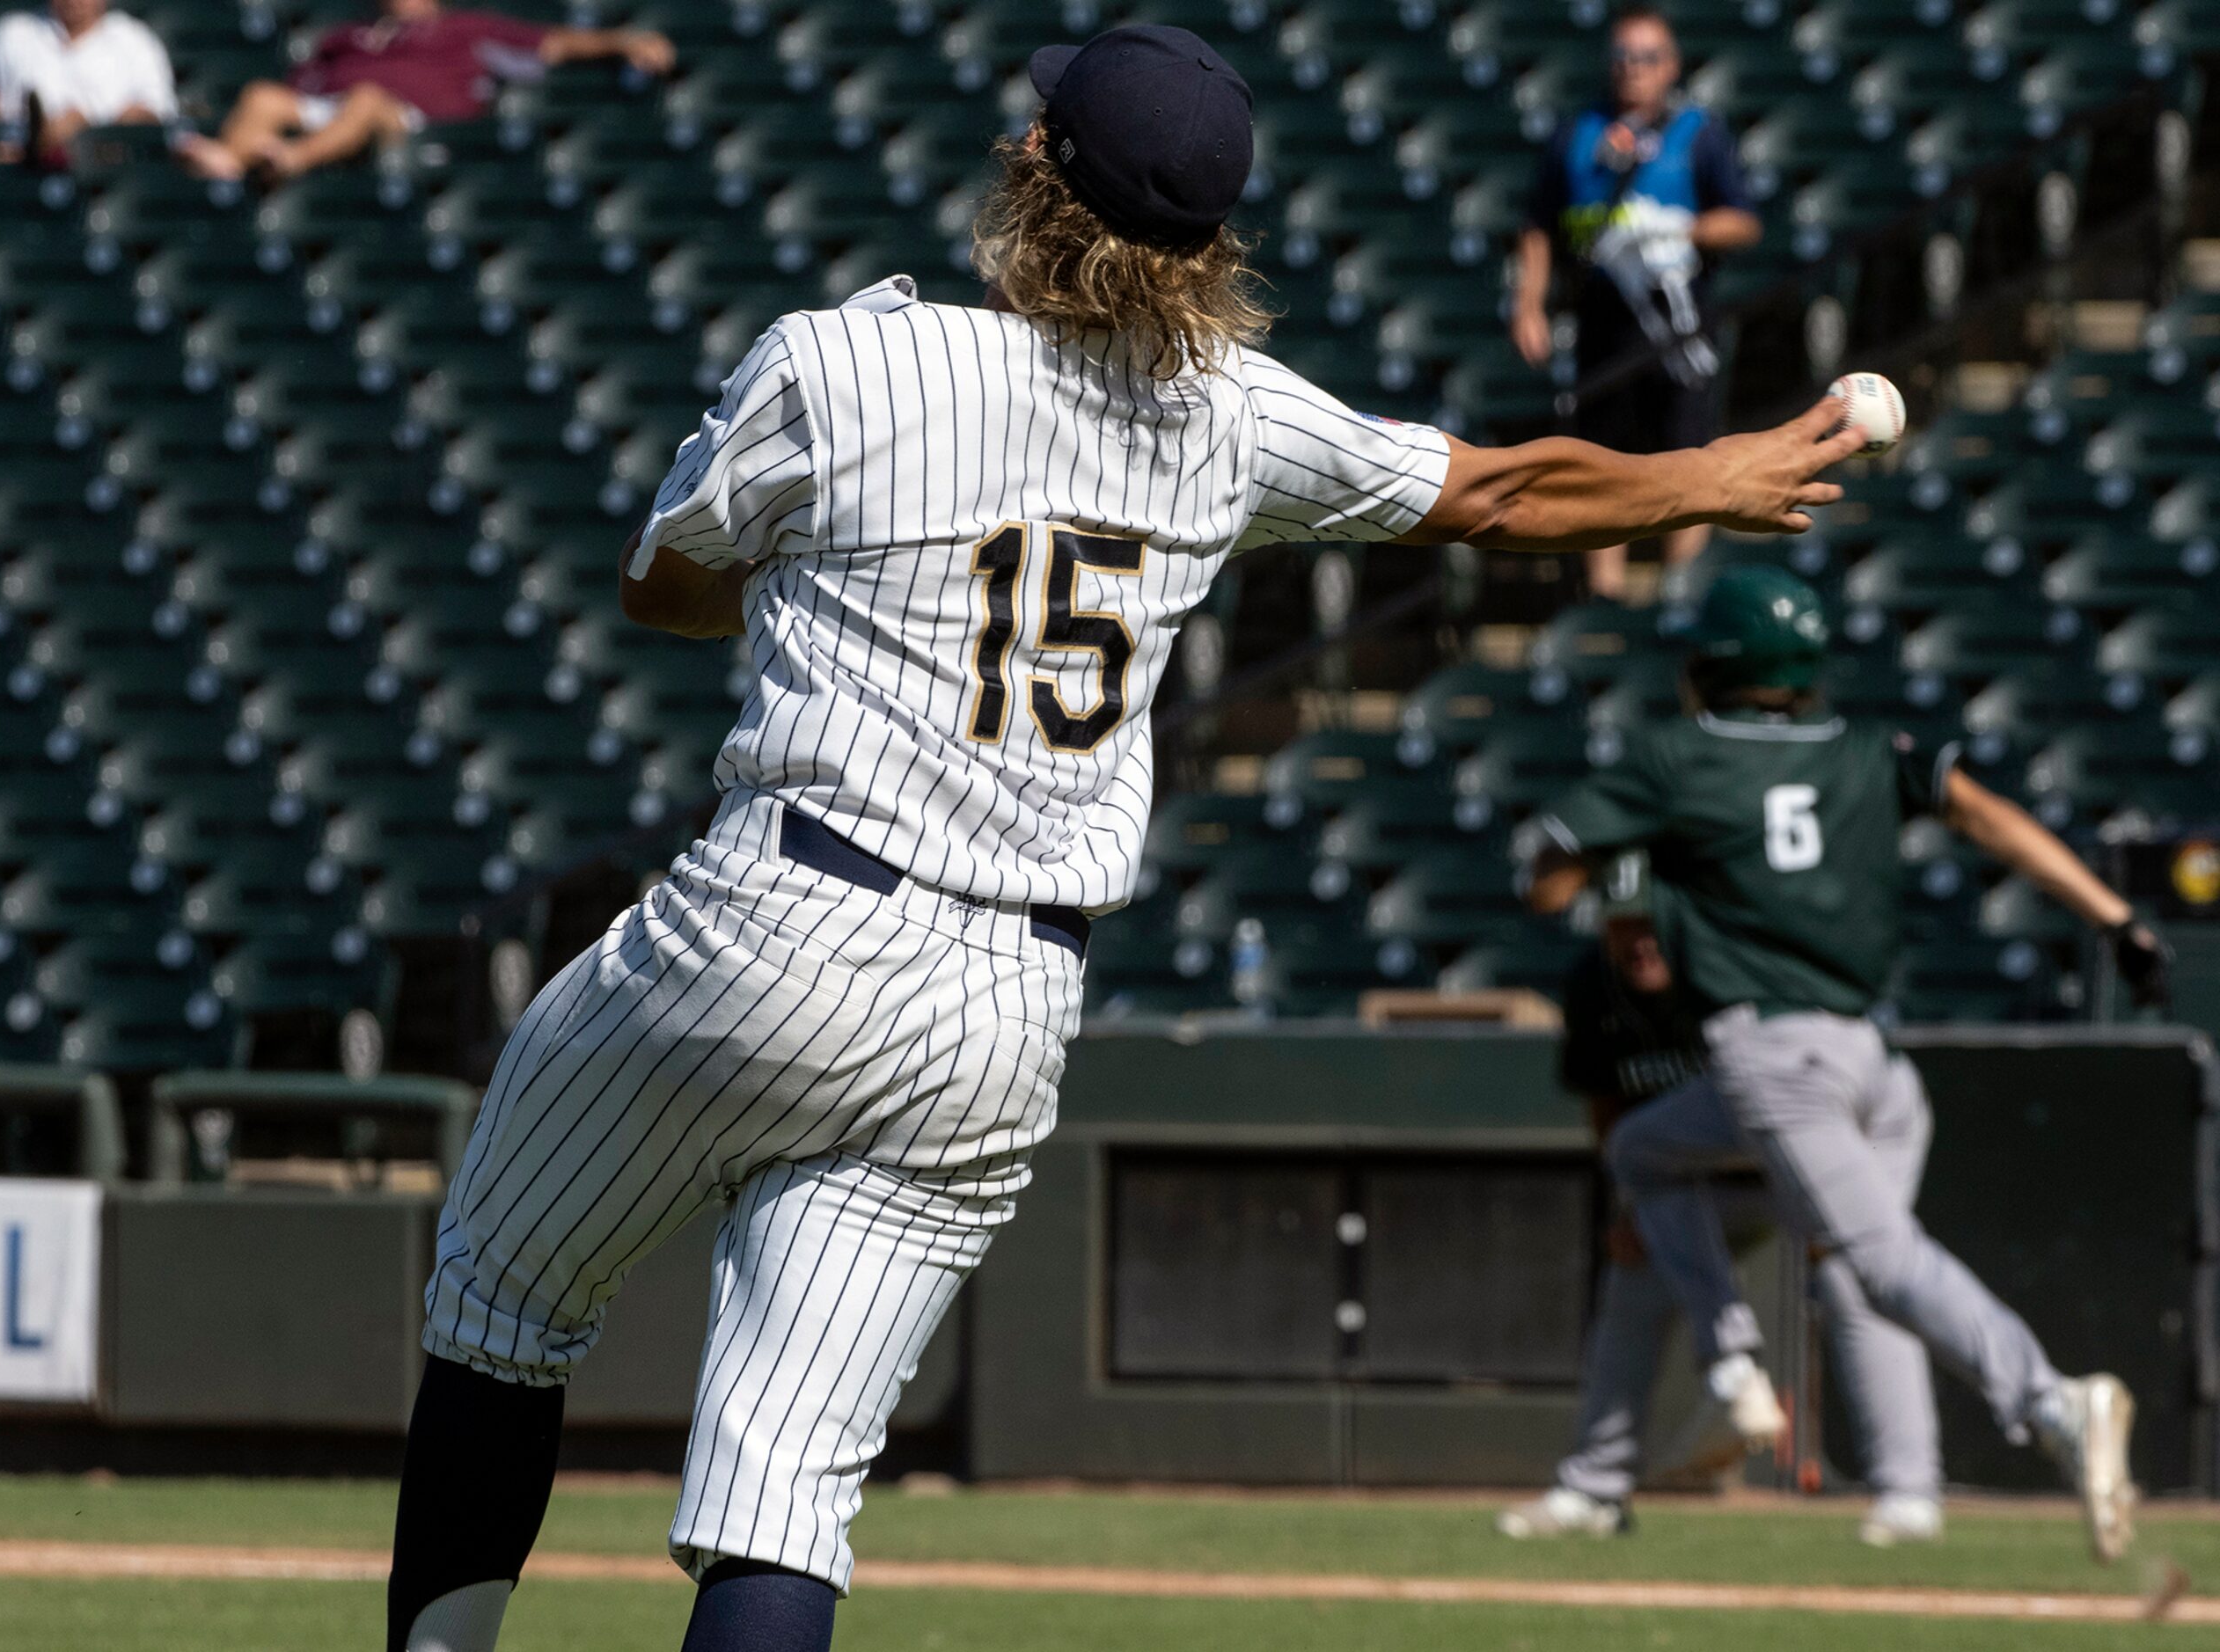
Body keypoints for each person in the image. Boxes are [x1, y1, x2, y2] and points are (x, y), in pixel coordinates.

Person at [381, 25, 1865, 1652]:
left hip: (782, 910)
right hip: (1003, 1000)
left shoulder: (850, 358)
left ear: (1034, 172)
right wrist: (1711, 473)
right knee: (783, 1487)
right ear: (1208, 243)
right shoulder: (1224, 413)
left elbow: (661, 586)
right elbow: (1501, 493)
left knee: (505, 1303)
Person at [1520, 564, 2172, 1563]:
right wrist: (2114, 916)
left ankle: (2051, 1403)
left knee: (1878, 1264)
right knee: (1648, 1156)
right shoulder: (1867, 747)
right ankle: (1866, 1463)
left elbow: (1546, 877)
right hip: (1872, 1057)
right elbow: (1990, 818)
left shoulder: (1675, 757)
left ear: (1708, 667)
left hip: (1775, 1059)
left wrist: (1645, 862)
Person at [1498, 853, 1947, 1548]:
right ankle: (1596, 1486)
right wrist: (1633, 1204)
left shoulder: (1740, 977)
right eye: (1624, 926)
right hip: (1703, 1171)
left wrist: (1841, 1218)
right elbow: (1610, 1107)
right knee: (1634, 1265)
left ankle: (1909, 1494)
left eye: (1652, 925)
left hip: (1835, 1144)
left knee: (1859, 1277)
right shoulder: (1595, 985)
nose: (1639, 941)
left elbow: (1838, 1088)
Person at [1513, 4, 1761, 603]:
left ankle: (1679, 589)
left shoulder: (1697, 133)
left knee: (1688, 446)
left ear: (1671, 65)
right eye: (1623, 57)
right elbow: (1540, 224)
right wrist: (1528, 303)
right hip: (1600, 319)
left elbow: (1743, 221)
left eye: (1648, 58)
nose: (1633, 70)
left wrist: (1680, 231)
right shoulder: (1577, 135)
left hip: (1677, 319)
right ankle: (1606, 595)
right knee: (1600, 455)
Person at [176, 0, 674, 182]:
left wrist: (621, 40)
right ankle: (228, 166)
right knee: (264, 96)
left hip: (407, 123)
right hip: (330, 108)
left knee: (367, 99)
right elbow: (299, 87)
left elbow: (554, 45)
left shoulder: (466, 29)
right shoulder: (348, 34)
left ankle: (290, 162)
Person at [0, 0, 176, 164]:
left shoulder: (135, 40)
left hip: (103, 174)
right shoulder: (14, 32)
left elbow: (158, 114)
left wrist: (85, 124)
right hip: (18, 173)